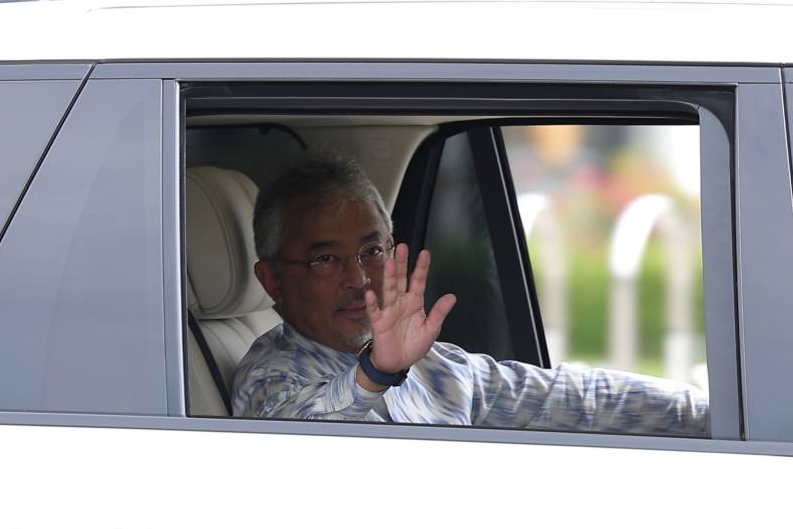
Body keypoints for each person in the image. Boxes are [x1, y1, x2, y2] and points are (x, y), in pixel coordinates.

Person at [231, 150, 709, 437]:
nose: (358, 278)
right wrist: (375, 372)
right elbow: (295, 438)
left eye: (372, 250)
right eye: (325, 259)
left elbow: (567, 399)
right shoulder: (270, 375)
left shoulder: (433, 365)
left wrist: (707, 413)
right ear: (273, 280)